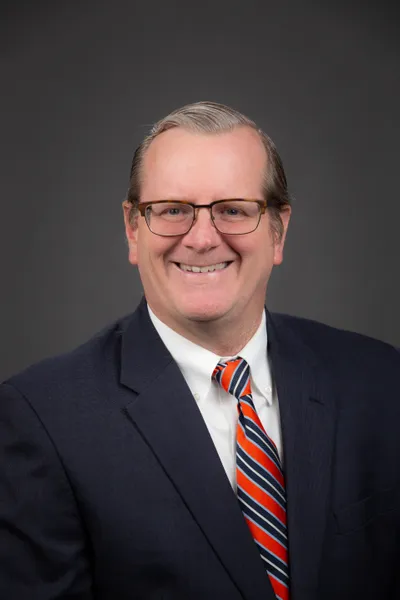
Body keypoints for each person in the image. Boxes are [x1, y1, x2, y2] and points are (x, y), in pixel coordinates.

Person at [1, 101, 399, 600]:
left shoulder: (380, 382)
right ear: (132, 230)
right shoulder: (41, 420)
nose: (203, 239)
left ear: (278, 231)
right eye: (172, 210)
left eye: (233, 210)